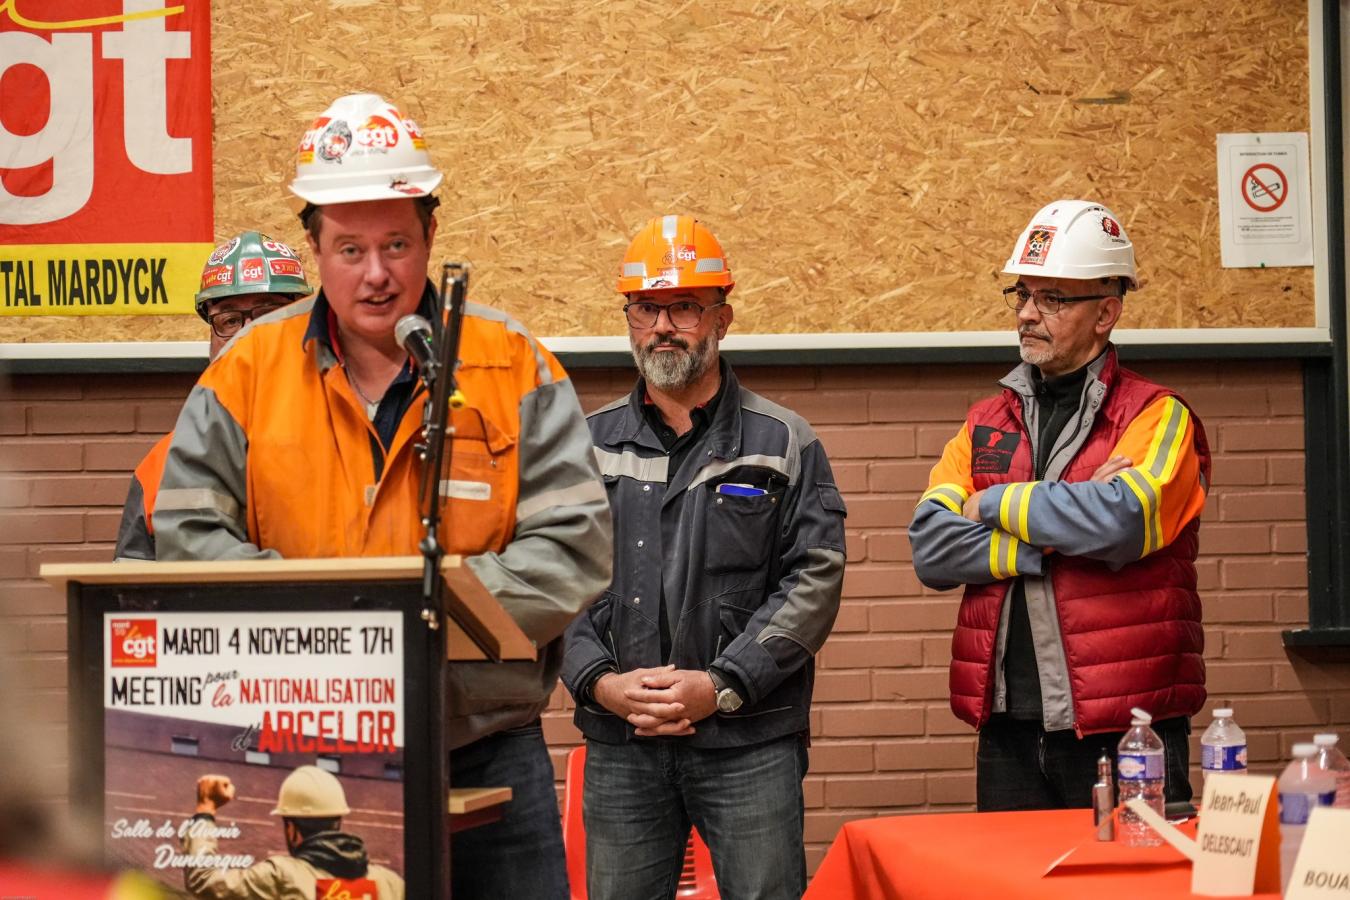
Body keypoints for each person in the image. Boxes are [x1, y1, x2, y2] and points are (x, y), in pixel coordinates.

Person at [153, 93, 612, 898]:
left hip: (483, 745)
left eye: (397, 244)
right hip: (301, 756)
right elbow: (187, 533)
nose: (376, 274)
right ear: (315, 246)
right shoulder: (246, 372)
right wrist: (337, 640)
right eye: (350, 248)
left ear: (430, 238)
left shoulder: (512, 364)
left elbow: (573, 545)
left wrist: (414, 623)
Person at [561, 215, 847, 899]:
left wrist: (719, 685)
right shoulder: (584, 443)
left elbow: (814, 579)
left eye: (683, 307)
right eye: (645, 308)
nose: (663, 325)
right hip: (621, 743)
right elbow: (552, 578)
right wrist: (600, 681)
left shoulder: (784, 441)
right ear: (628, 320)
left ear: (721, 317)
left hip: (748, 743)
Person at [908, 199, 1210, 812]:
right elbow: (932, 548)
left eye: (1052, 299)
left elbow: (1125, 521)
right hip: (1008, 727)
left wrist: (991, 502)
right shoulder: (986, 421)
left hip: (1126, 725)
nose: (1026, 314)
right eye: (1022, 295)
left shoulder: (1158, 415)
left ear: (1106, 312)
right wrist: (1065, 522)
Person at [113, 231, 312, 561]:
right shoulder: (161, 466)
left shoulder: (344, 431)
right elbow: (129, 592)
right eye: (231, 320)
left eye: (268, 316)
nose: (247, 335)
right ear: (210, 336)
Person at [183, 765, 404, 899]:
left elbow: (204, 880)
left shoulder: (282, 876)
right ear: (338, 820)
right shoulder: (391, 883)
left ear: (291, 829)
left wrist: (206, 809)